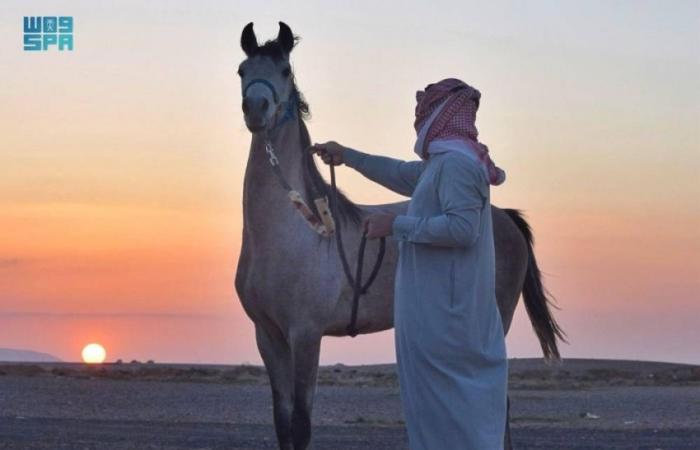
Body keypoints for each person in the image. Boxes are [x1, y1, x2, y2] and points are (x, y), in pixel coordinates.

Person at [312, 78, 508, 449]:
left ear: (439, 115)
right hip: (435, 317)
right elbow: (398, 173)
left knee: (454, 411)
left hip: (449, 321)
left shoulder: (457, 168)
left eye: (424, 109)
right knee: (435, 411)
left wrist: (395, 225)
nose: (418, 117)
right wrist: (348, 156)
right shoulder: (441, 167)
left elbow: (463, 230)